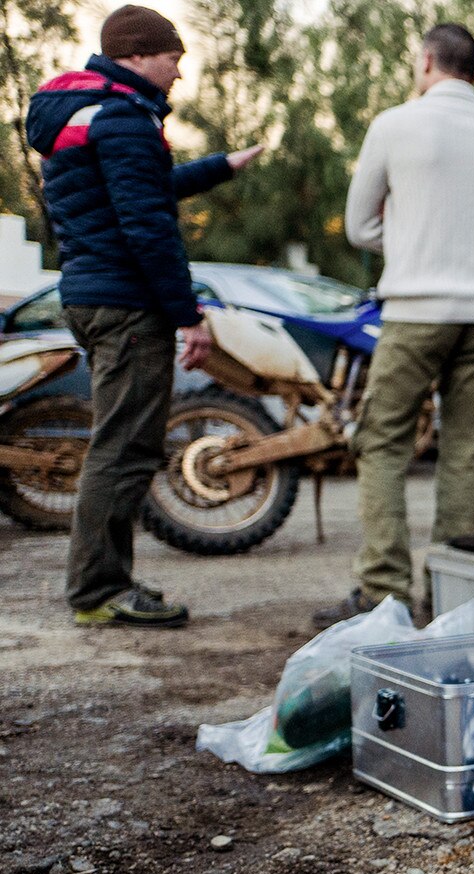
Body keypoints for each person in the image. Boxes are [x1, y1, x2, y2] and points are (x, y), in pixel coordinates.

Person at [26, 5, 261, 628]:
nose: (178, 73)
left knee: (119, 441)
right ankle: (99, 590)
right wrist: (188, 315)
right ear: (135, 54)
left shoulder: (86, 113)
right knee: (126, 447)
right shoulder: (125, 118)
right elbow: (147, 225)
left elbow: (139, 192)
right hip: (127, 302)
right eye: (171, 59)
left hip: (91, 293)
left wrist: (219, 167)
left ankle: (102, 583)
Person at [315, 23, 474, 628]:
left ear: (427, 61)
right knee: (464, 448)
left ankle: (384, 592)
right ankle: (450, 589)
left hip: (417, 309)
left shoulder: (396, 125)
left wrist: (409, 242)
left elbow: (360, 227)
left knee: (382, 441)